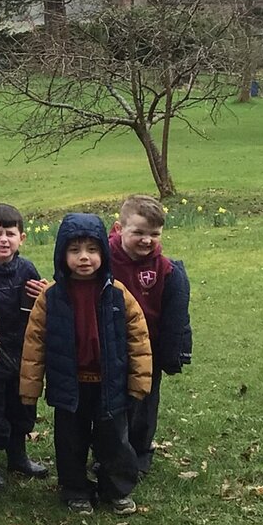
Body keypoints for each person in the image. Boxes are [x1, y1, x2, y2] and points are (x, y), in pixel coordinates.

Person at [19, 214, 152, 515]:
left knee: (114, 440)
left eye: (92, 250)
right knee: (70, 441)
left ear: (103, 253)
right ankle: (75, 488)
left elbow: (138, 339)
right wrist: (29, 388)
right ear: (61, 254)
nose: (84, 258)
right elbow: (34, 345)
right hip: (70, 382)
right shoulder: (50, 297)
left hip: (110, 383)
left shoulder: (118, 293)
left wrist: (139, 381)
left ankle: (116, 488)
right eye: (75, 250)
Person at [109, 195, 192, 476]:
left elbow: (176, 314)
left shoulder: (165, 268)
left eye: (154, 234)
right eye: (139, 233)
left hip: (148, 350)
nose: (147, 240)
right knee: (111, 404)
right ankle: (109, 451)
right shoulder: (102, 260)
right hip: (110, 348)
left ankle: (141, 451)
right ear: (119, 229)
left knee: (144, 403)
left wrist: (175, 351)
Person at [0, 204, 49, 487]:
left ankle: (18, 456)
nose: (3, 240)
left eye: (10, 234)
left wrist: (45, 294)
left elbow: (40, 309)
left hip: (22, 352)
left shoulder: (26, 268)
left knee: (22, 406)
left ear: (22, 238)